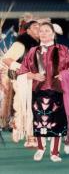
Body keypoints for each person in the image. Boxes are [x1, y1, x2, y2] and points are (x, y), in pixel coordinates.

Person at [17, 22, 69, 162]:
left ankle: (55, 152)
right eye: (41, 31)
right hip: (38, 91)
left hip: (57, 91)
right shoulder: (32, 51)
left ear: (53, 34)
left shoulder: (63, 50)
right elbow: (22, 71)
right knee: (39, 122)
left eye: (47, 31)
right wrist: (34, 76)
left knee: (57, 123)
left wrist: (64, 75)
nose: (43, 33)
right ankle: (41, 148)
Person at [2, 14, 42, 147]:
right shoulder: (21, 43)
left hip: (38, 81)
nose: (38, 28)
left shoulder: (42, 45)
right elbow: (7, 59)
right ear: (28, 30)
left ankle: (22, 128)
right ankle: (30, 136)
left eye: (39, 26)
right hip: (23, 81)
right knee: (26, 107)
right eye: (34, 26)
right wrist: (24, 71)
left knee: (35, 108)